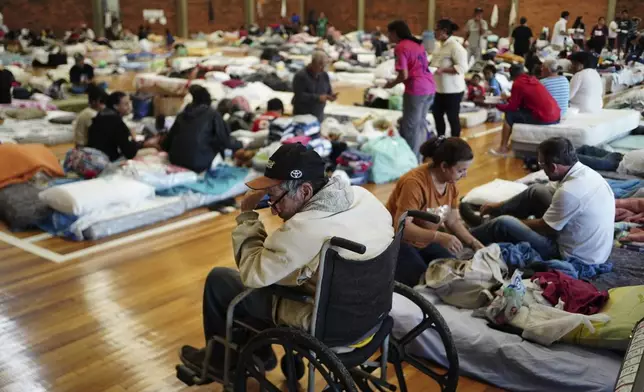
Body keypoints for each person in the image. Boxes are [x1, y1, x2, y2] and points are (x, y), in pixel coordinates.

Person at [179, 143, 394, 375]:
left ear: (304, 191)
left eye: (274, 197)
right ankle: (256, 353)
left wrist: (247, 217)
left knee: (221, 281)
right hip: (373, 314)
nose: (272, 209)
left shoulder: (303, 229)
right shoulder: (364, 198)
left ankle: (222, 362)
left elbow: (252, 274)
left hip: (327, 326)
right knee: (275, 281)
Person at [473, 137, 615, 266]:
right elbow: (543, 192)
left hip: (571, 256)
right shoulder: (585, 173)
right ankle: (493, 215)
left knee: (503, 223)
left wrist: (515, 221)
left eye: (541, 164)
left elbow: (546, 226)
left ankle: (467, 238)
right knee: (536, 191)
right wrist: (499, 205)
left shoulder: (569, 191)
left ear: (553, 167)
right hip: (590, 247)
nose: (541, 168)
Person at [386, 137, 483, 287]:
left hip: (424, 242)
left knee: (453, 274)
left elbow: (453, 221)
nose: (465, 175)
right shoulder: (414, 183)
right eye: (461, 170)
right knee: (425, 283)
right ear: (444, 166)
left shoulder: (450, 184)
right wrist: (438, 236)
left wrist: (473, 242)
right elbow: (402, 227)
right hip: (397, 242)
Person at [384, 20, 436, 159]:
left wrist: (391, 84)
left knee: (410, 127)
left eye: (389, 34)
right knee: (421, 124)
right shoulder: (417, 44)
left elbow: (404, 74)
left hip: (416, 89)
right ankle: (421, 155)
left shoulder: (401, 47)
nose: (388, 36)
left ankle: (410, 161)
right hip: (430, 87)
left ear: (395, 33)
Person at [162, 85, 242, 173]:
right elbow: (225, 140)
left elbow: (167, 143)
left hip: (175, 160)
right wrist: (241, 144)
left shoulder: (182, 115)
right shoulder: (212, 115)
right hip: (198, 164)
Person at [491, 65, 560, 155]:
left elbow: (512, 107)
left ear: (511, 75)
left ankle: (503, 148)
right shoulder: (533, 80)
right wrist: (508, 98)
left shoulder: (517, 83)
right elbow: (522, 100)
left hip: (545, 117)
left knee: (509, 115)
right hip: (556, 115)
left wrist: (495, 105)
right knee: (518, 112)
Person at [87, 92, 156, 161]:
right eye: (126, 104)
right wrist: (133, 138)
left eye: (130, 102)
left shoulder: (102, 114)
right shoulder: (116, 122)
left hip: (92, 155)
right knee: (153, 151)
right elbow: (130, 154)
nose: (130, 106)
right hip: (105, 160)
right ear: (116, 106)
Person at [430, 19, 468, 138]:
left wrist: (443, 70)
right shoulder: (439, 46)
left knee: (452, 117)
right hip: (439, 89)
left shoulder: (455, 47)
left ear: (444, 31)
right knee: (437, 114)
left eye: (436, 30)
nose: (434, 32)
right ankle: (441, 139)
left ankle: (455, 143)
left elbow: (462, 68)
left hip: (453, 91)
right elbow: (434, 62)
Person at [291, 50, 336, 122]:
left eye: (324, 66)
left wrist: (331, 96)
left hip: (318, 115)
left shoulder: (324, 75)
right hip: (302, 116)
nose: (322, 69)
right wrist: (317, 98)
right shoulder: (301, 76)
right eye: (320, 65)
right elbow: (299, 96)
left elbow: (328, 91)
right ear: (313, 63)